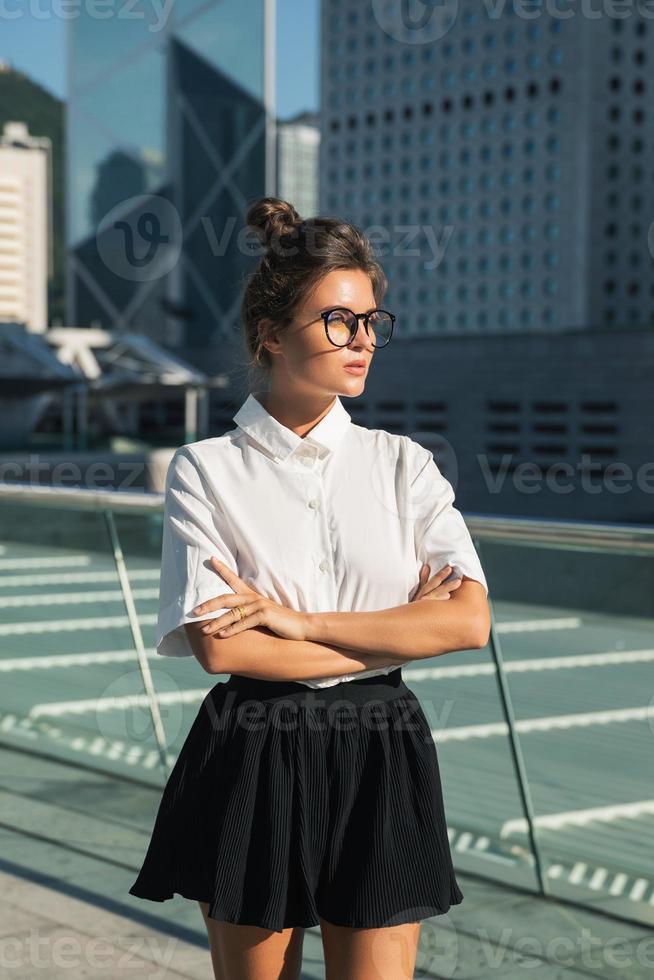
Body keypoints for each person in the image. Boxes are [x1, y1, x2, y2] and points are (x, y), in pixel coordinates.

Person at [129, 197, 490, 980]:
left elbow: (466, 623)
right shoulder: (206, 470)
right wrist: (393, 626)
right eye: (338, 321)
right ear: (271, 334)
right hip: (252, 751)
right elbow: (222, 648)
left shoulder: (406, 466)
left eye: (371, 321)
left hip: (381, 753)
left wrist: (292, 623)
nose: (363, 341)